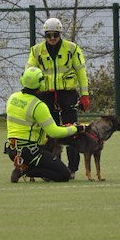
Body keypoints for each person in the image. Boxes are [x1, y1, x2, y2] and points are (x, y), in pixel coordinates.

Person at [26, 17, 90, 179]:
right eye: (49, 35)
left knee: (72, 131)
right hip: (46, 95)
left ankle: (72, 169)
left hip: (67, 94)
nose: (52, 38)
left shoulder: (72, 49)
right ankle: (53, 167)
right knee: (49, 132)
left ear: (60, 34)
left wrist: (85, 95)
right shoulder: (36, 50)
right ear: (45, 35)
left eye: (55, 35)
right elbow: (29, 71)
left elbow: (81, 72)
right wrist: (30, 91)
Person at [4, 66, 85, 183]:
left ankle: (23, 166)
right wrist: (76, 128)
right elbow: (54, 132)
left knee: (47, 151)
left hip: (12, 150)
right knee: (64, 175)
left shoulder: (12, 98)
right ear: (40, 85)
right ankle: (26, 170)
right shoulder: (38, 105)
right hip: (31, 153)